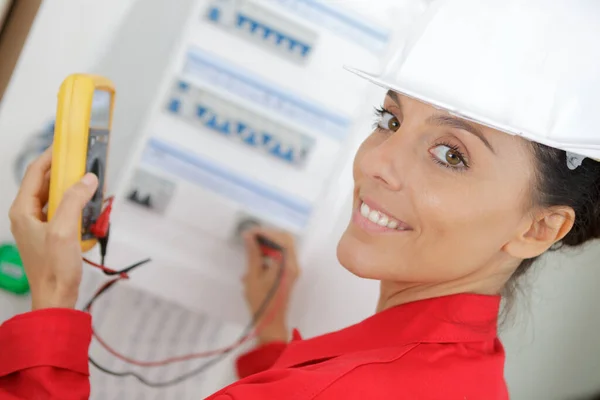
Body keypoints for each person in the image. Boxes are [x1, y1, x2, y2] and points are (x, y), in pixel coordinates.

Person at [2, 0, 600, 398]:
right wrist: (272, 348)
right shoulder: (469, 376)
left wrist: (51, 302)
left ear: (541, 228)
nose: (375, 163)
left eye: (451, 155)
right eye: (389, 119)